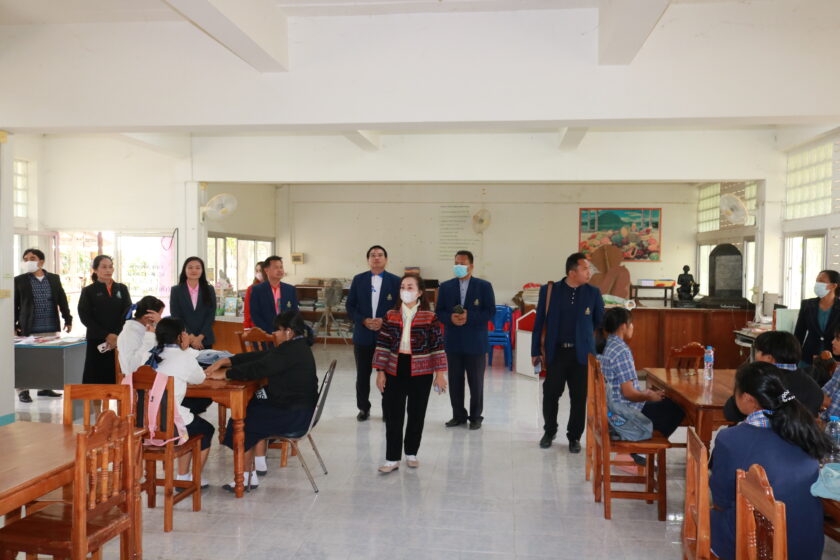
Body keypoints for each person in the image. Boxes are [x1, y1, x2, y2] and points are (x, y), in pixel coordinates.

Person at [709, 362, 833, 560]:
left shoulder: (730, 438)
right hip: (806, 547)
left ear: (747, 398)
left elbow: (721, 500)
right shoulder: (804, 430)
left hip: (758, 548)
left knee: (710, 517)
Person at [204, 310, 318, 492]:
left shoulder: (291, 350)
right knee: (251, 405)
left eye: (277, 330)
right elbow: (262, 356)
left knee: (241, 420)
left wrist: (226, 373)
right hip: (295, 407)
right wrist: (227, 361)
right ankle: (253, 469)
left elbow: (259, 368)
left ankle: (246, 478)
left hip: (293, 414)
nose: (274, 334)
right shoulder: (296, 346)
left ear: (288, 332)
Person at [373, 274, 448, 473]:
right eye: (403, 287)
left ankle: (411, 453)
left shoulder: (429, 317)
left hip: (421, 371)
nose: (405, 290)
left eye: (410, 287)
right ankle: (392, 458)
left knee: (417, 413)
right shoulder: (390, 315)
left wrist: (440, 374)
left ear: (420, 292)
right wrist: (380, 372)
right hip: (394, 368)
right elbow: (383, 344)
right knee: (393, 414)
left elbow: (437, 345)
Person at [531, 252, 604, 452]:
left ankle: (574, 437)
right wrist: (535, 350)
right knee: (550, 393)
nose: (589, 272)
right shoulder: (549, 291)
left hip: (582, 355)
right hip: (556, 353)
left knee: (579, 397)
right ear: (572, 272)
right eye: (585, 269)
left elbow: (599, 323)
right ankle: (549, 431)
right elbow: (539, 322)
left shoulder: (593, 293)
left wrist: (595, 350)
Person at [598, 307, 685, 444]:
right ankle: (641, 447)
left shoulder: (606, 346)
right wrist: (648, 395)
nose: (632, 326)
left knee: (664, 402)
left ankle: (642, 444)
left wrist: (647, 394)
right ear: (623, 327)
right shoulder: (621, 351)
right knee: (676, 409)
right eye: (631, 323)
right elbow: (629, 394)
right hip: (623, 413)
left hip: (611, 408)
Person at [149, 317, 213, 488]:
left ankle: (182, 477)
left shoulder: (150, 355)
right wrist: (186, 351)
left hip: (146, 422)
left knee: (190, 416)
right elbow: (199, 378)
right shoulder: (183, 357)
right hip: (171, 423)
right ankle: (193, 478)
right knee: (206, 430)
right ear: (180, 336)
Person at [436, 250, 496, 430]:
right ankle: (458, 415)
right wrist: (450, 318)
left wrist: (470, 316)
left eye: (462, 264)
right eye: (456, 263)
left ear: (471, 266)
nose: (458, 266)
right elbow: (439, 312)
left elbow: (490, 312)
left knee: (476, 382)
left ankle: (476, 417)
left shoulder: (484, 286)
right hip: (453, 341)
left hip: (475, 342)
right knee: (455, 381)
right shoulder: (445, 287)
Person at [345, 245, 401, 422]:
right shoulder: (359, 279)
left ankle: (388, 409)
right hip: (363, 335)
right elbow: (350, 305)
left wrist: (384, 321)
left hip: (387, 337)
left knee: (388, 375)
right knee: (362, 375)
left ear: (386, 259)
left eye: (380, 255)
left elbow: (399, 308)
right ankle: (363, 408)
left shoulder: (396, 281)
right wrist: (363, 320)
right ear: (368, 259)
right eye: (373, 255)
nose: (376, 258)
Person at [13, 248, 73, 402]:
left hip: (50, 325)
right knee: (26, 361)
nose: (28, 261)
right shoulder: (19, 280)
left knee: (47, 359)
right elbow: (15, 304)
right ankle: (23, 391)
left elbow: (62, 299)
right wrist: (13, 324)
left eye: (32, 258)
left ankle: (45, 387)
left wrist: (68, 319)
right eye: (25, 259)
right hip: (29, 326)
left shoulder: (53, 278)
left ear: (41, 261)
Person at [722, 331, 823, 421]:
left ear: (769, 358)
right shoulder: (814, 387)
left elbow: (730, 413)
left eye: (758, 351)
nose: (755, 355)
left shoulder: (759, 381)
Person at [78, 255, 132, 384]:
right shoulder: (88, 291)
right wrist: (106, 335)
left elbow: (127, 313)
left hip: (119, 340)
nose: (108, 270)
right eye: (104, 267)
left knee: (118, 376)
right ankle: (96, 399)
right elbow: (85, 316)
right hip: (97, 340)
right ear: (95, 270)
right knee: (96, 377)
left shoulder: (122, 288)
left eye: (110, 267)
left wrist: (116, 335)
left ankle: (119, 399)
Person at [169, 257, 217, 350]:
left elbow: (211, 315)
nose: (194, 270)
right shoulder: (176, 290)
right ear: (185, 270)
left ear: (202, 271)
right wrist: (191, 337)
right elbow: (176, 315)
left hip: (205, 339)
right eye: (190, 267)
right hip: (184, 338)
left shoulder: (209, 289)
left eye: (198, 268)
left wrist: (200, 337)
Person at [794, 269, 840, 365]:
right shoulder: (807, 304)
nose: (817, 284)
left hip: (834, 359)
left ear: (833, 286)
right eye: (817, 281)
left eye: (821, 281)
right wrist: (794, 355)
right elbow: (799, 332)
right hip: (808, 357)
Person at [249, 256, 299, 333]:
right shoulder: (257, 290)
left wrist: (288, 329)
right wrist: (271, 332)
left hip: (286, 333)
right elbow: (255, 315)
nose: (280, 270)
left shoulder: (290, 289)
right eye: (276, 267)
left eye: (281, 267)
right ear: (266, 270)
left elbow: (295, 312)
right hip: (266, 334)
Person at [116, 296, 164, 376]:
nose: (158, 320)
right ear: (147, 317)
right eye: (158, 316)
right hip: (136, 380)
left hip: (149, 376)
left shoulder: (146, 329)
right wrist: (150, 339)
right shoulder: (129, 333)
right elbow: (131, 368)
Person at [242, 261, 267, 330]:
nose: (258, 273)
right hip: (255, 327)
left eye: (260, 271)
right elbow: (247, 310)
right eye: (257, 271)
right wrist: (246, 327)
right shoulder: (251, 289)